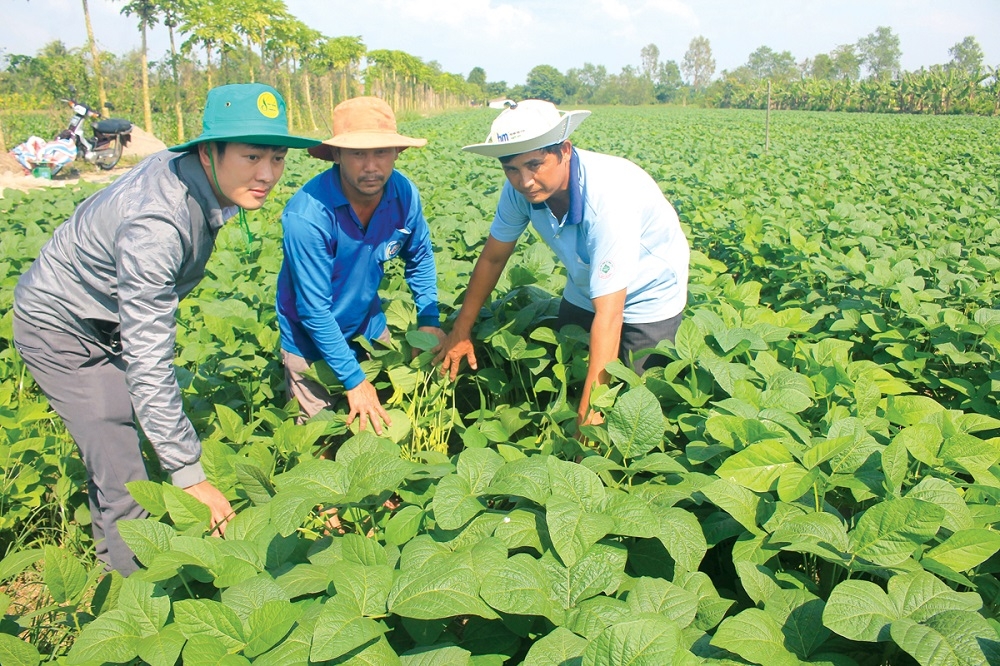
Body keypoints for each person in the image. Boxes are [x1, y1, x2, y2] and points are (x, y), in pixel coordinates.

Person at [12, 83, 319, 576]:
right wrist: (189, 474)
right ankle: (131, 598)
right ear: (208, 151)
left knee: (120, 449)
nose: (267, 174)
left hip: (107, 319)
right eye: (252, 156)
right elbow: (148, 354)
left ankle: (116, 567)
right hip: (63, 328)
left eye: (277, 158)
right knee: (124, 475)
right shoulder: (157, 223)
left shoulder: (199, 177)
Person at [434, 99, 690, 428]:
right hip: (585, 285)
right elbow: (493, 257)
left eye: (535, 164)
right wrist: (460, 330)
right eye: (512, 169)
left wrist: (589, 418)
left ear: (565, 151)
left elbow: (610, 315)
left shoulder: (609, 197)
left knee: (637, 403)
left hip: (648, 294)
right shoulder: (519, 193)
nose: (525, 180)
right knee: (569, 375)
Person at [276, 96, 443, 437]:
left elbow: (420, 256)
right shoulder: (308, 216)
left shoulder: (403, 194)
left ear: (397, 153)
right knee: (320, 440)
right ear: (337, 155)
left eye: (381, 152)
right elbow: (313, 311)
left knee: (381, 427)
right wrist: (354, 380)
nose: (371, 166)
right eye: (357, 154)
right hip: (309, 342)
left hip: (368, 327)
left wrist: (429, 320)